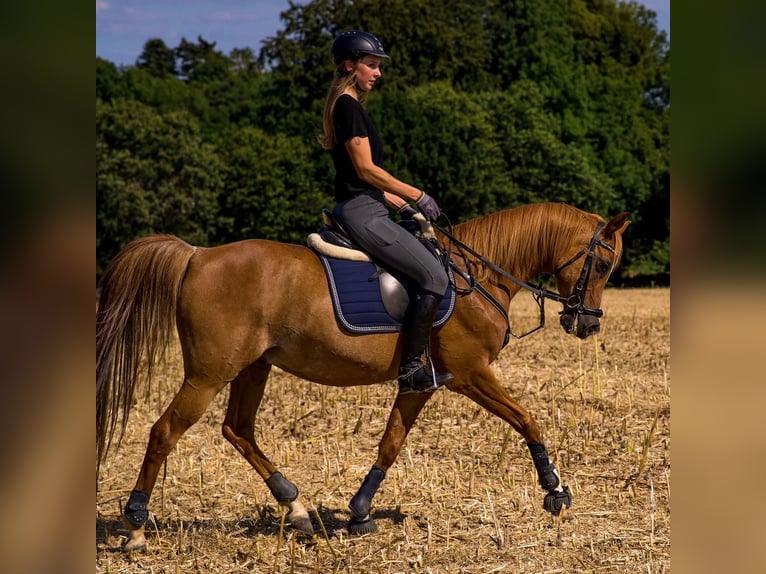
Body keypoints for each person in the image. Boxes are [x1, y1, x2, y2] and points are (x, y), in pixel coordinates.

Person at [319, 29, 453, 395]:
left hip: (366, 204)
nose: (378, 73)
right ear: (350, 66)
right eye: (372, 65)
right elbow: (365, 170)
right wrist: (417, 193)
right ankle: (411, 370)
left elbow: (361, 179)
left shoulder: (348, 107)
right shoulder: (349, 108)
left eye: (378, 67)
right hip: (363, 213)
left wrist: (406, 206)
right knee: (435, 277)